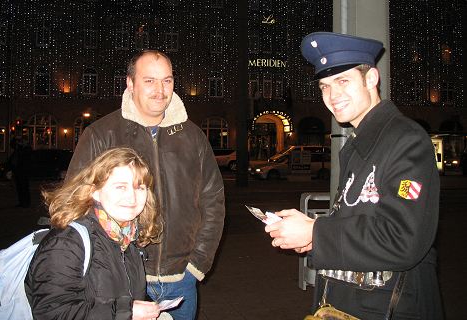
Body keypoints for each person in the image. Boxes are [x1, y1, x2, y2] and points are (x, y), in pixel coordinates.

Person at [266, 32, 443, 319]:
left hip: (392, 308)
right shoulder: (357, 145)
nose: (332, 96)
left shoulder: (406, 140)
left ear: (371, 79)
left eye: (343, 81)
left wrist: (316, 232)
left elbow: (404, 239)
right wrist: (311, 236)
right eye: (325, 86)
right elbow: (359, 222)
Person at [66, 50, 225, 319]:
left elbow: (214, 201)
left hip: (181, 279)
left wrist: (197, 263)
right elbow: (75, 205)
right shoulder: (101, 134)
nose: (160, 90)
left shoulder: (193, 137)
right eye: (149, 81)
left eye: (167, 80)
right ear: (130, 83)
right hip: (119, 279)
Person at [25, 147, 164, 320]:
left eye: (140, 188)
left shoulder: (127, 237)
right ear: (95, 191)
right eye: (120, 187)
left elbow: (126, 293)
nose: (132, 198)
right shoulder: (66, 242)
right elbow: (52, 312)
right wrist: (126, 312)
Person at [9, 138, 32, 207]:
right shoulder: (18, 149)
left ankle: (26, 203)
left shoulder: (27, 149)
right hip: (18, 171)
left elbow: (25, 157)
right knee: (19, 188)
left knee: (24, 188)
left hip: (23, 172)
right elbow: (13, 159)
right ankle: (22, 202)